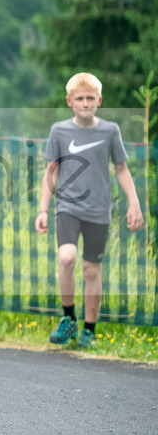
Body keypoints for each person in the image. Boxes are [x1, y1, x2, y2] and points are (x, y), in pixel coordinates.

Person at [34, 72, 144, 347]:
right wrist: (43, 209)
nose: (85, 103)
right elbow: (51, 171)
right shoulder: (59, 131)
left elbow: (121, 168)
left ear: (99, 100)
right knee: (67, 257)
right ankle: (69, 319)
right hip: (68, 207)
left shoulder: (109, 131)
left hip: (99, 210)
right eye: (80, 98)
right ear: (70, 101)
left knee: (91, 270)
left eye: (90, 98)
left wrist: (134, 203)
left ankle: (90, 330)